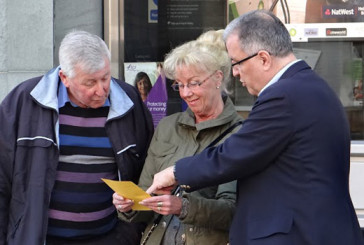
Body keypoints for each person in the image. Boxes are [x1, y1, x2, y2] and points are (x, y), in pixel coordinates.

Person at [146, 10, 364, 245]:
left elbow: (234, 155)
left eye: (236, 63)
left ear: (263, 58)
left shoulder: (283, 96)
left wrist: (175, 173)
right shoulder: (313, 87)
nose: (236, 73)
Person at [0, 30, 154, 245]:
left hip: (111, 237)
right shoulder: (23, 102)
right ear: (65, 78)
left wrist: (132, 230)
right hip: (40, 238)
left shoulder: (129, 101)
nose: (101, 90)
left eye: (105, 78)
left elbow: (148, 169)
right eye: (90, 83)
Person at [113, 29, 243, 245]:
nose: (185, 93)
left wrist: (183, 206)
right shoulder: (167, 127)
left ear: (218, 78)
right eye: (179, 85)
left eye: (193, 83)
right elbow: (146, 198)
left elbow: (233, 211)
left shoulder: (240, 133)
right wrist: (129, 205)